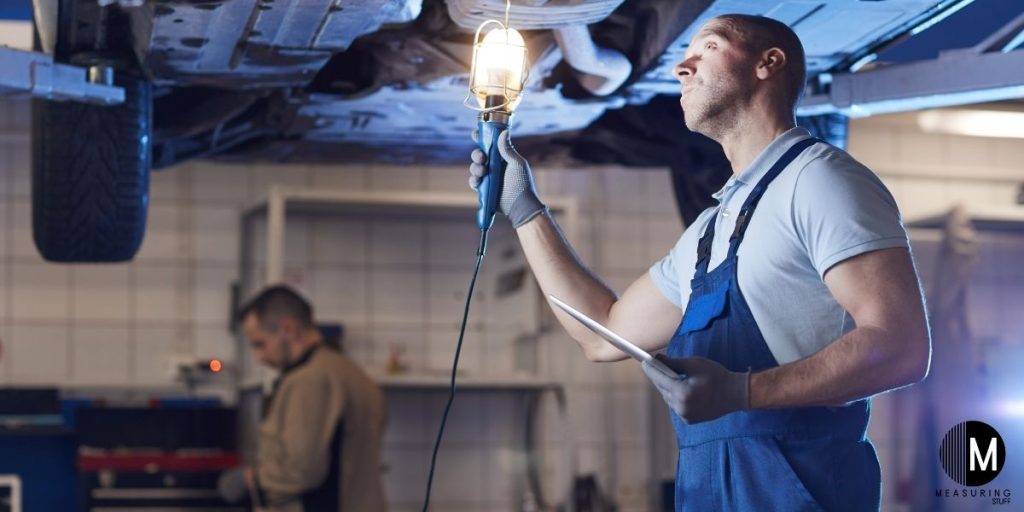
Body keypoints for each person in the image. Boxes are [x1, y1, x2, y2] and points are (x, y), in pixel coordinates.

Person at [468, 13, 930, 511]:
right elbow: (603, 334)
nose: (680, 68)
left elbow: (901, 347)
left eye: (707, 47)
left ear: (768, 63)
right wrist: (525, 209)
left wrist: (743, 391)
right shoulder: (711, 229)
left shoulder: (819, 180)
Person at [220, 284, 387, 512]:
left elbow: (302, 470)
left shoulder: (310, 380)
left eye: (260, 344)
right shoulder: (352, 373)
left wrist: (250, 479)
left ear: (288, 329)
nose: (259, 357)